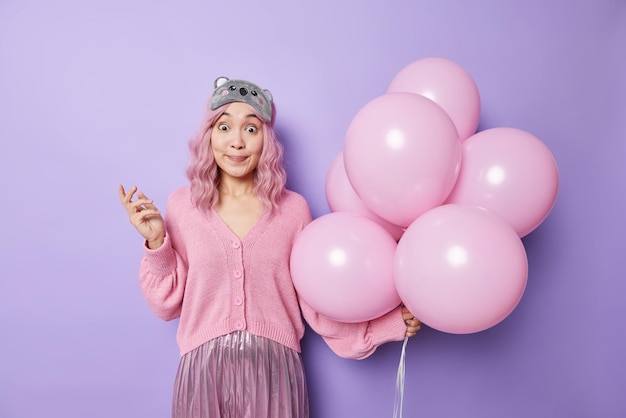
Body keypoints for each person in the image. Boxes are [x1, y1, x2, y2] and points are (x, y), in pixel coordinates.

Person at [119, 76, 421, 418]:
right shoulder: (182, 207)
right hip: (202, 374)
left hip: (274, 373)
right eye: (223, 127)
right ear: (208, 136)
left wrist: (386, 326)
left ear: (267, 140)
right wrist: (158, 243)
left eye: (251, 129)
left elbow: (318, 304)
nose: (236, 142)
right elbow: (165, 305)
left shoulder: (293, 211)